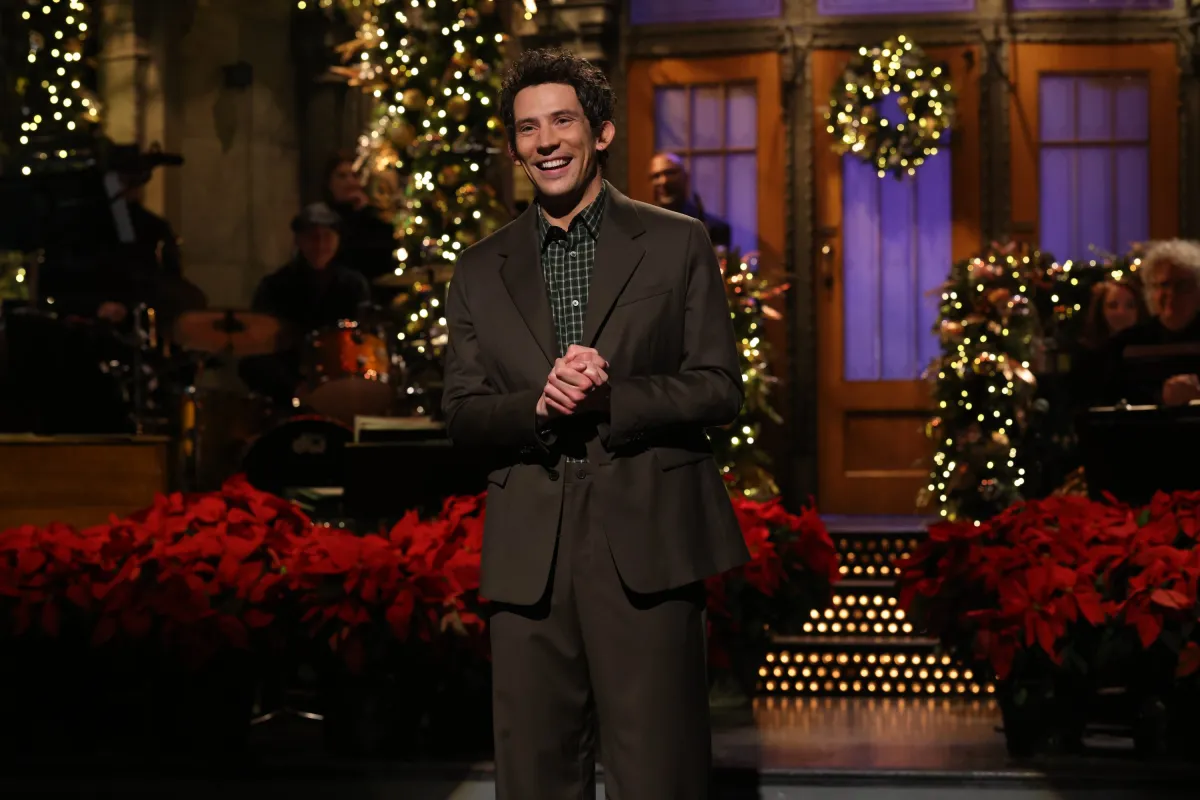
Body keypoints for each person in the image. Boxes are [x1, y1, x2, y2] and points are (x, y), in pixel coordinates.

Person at [442, 48, 748, 798]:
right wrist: (540, 406)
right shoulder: (479, 268)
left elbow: (718, 388)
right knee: (535, 777)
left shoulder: (676, 242)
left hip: (648, 533)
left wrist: (613, 400)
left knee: (659, 774)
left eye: (562, 121)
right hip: (531, 550)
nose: (546, 141)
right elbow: (463, 413)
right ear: (514, 148)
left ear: (601, 132)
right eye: (527, 128)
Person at [239, 203, 371, 405]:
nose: (320, 245)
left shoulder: (354, 285)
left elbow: (363, 342)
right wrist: (294, 388)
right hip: (287, 389)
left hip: (343, 387)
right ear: (299, 241)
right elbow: (257, 349)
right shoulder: (274, 286)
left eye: (327, 236)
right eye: (312, 237)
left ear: (337, 240)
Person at [1099, 239, 1200, 406]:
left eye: (1182, 285)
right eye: (1164, 285)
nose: (1171, 293)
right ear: (1151, 291)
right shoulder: (1125, 345)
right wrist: (1161, 397)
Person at [1070, 277, 1148, 409]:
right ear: (1101, 310)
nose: (1121, 312)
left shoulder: (1149, 349)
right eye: (1113, 306)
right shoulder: (1086, 355)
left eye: (1130, 306)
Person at [323, 151, 397, 286]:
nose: (350, 182)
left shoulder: (375, 218)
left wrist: (364, 211)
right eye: (342, 176)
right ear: (329, 183)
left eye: (355, 175)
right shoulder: (323, 220)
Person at [648, 151, 732, 248]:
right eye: (656, 176)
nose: (664, 181)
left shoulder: (714, 228)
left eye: (670, 173)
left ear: (686, 176)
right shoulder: (642, 227)